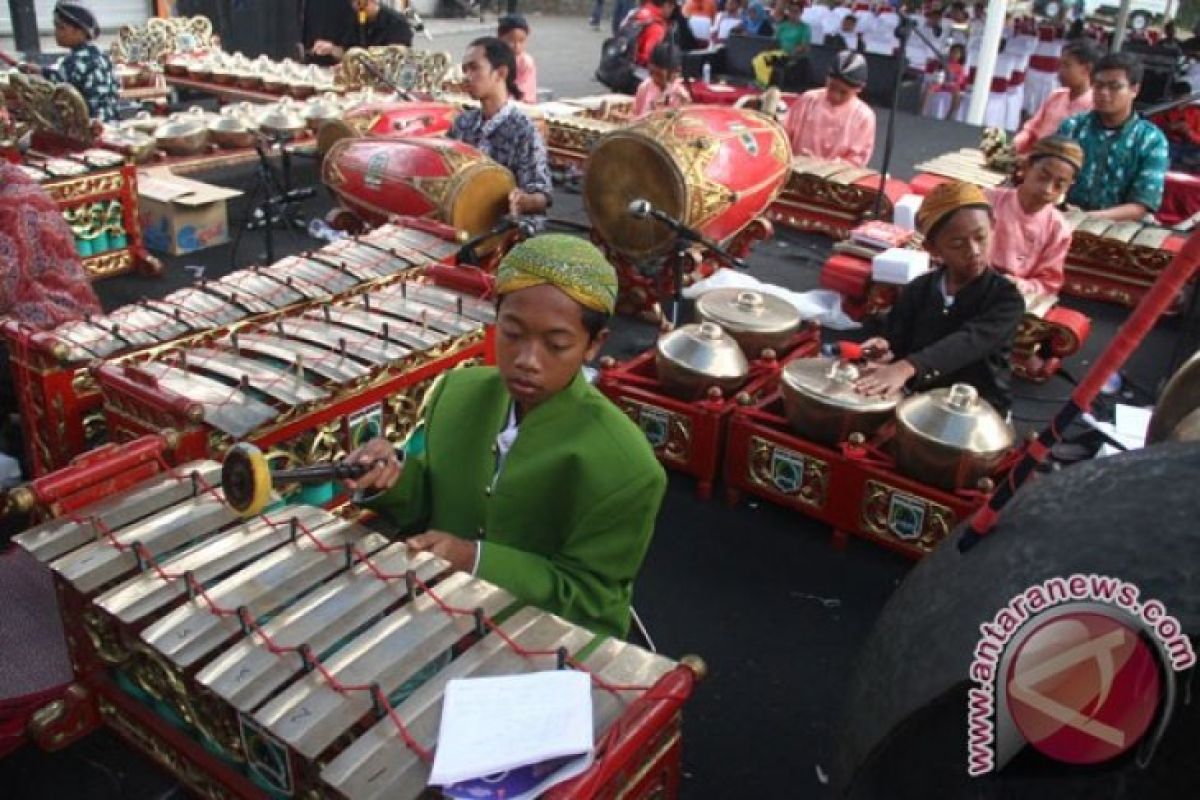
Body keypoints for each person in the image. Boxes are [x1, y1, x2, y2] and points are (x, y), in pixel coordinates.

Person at [345, 235, 667, 639]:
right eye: (512, 334)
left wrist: (474, 559)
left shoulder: (627, 466)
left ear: (593, 345)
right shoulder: (457, 393)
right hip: (440, 614)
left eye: (556, 344)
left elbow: (591, 600)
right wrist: (391, 478)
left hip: (536, 643)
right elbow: (430, 504)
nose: (527, 361)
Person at [854, 181, 1024, 415]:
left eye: (980, 237)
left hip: (977, 407)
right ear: (933, 249)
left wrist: (907, 367)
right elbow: (897, 338)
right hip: (920, 398)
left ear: (993, 228)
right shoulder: (919, 288)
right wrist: (885, 347)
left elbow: (968, 341)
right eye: (957, 243)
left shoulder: (1006, 298)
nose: (974, 250)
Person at [0, 161, 103, 455]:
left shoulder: (16, 204)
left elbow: (2, 290)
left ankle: (20, 460)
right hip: (19, 322)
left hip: (53, 327)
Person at [1057, 52, 1170, 222]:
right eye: (1098, 85)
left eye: (1114, 87)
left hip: (1119, 229)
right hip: (1063, 218)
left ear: (1134, 90)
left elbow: (1142, 205)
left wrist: (1085, 218)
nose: (1103, 92)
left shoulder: (1151, 140)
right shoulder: (1072, 127)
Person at [449, 38, 552, 222]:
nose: (467, 76)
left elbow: (542, 196)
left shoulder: (524, 130)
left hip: (503, 225)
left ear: (501, 73)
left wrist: (523, 201)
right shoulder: (462, 123)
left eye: (474, 68)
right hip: (463, 218)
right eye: (465, 69)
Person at [986, 136, 1083, 299]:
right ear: (1026, 167)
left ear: (1069, 185)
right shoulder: (987, 200)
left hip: (1009, 296)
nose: (1047, 189)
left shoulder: (1058, 229)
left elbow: (1048, 284)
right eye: (1043, 176)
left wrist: (1020, 285)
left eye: (1059, 184)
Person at [782, 51, 876, 167]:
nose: (835, 95)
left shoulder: (864, 117)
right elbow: (783, 136)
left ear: (859, 88)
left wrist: (821, 166)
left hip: (835, 180)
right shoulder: (808, 99)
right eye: (832, 87)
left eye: (843, 92)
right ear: (827, 79)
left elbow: (857, 159)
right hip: (794, 169)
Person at [30, 2, 118, 123]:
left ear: (80, 32)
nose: (56, 32)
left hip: (87, 127)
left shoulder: (74, 61)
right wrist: (41, 71)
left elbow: (56, 90)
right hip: (111, 120)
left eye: (61, 28)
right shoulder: (101, 54)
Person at [1011, 40, 1098, 155]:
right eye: (1060, 65)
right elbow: (1031, 130)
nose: (1060, 71)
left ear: (1087, 69)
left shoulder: (1093, 106)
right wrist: (1014, 146)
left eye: (1067, 65)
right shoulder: (1056, 96)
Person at [311, 0, 413, 63]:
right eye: (354, 4)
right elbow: (347, 52)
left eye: (362, 4)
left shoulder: (397, 24)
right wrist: (332, 49)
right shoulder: (355, 20)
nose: (357, 8)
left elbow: (398, 60)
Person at [1150, 81, 1200, 173]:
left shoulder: (1196, 113)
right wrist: (1166, 128)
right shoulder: (1162, 111)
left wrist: (1189, 132)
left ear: (1189, 97)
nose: (1180, 102)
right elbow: (1152, 133)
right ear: (1172, 97)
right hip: (1170, 146)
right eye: (1177, 98)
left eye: (1183, 98)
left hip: (1191, 148)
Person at [633, 42, 691, 116]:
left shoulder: (679, 93)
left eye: (659, 75)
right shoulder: (644, 88)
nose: (653, 78)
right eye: (651, 72)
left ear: (676, 72)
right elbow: (635, 115)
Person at [498, 15, 537, 105]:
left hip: (519, 105)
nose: (517, 46)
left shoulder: (526, 62)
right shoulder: (492, 57)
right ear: (500, 38)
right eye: (511, 40)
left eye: (521, 41)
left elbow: (526, 93)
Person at [921, 42, 967, 119]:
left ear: (961, 56)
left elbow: (960, 80)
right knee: (928, 89)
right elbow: (937, 72)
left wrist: (952, 82)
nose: (953, 54)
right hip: (941, 83)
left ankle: (950, 114)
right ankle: (923, 110)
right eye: (952, 52)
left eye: (956, 53)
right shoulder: (944, 63)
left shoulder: (960, 67)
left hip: (952, 85)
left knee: (957, 94)